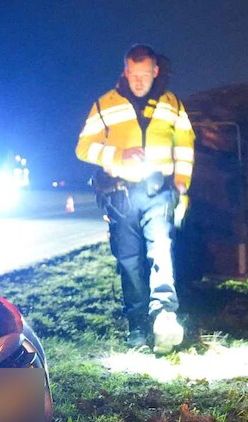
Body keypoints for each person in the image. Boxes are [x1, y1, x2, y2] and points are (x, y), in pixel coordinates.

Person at [76, 44, 195, 353]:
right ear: (125, 72)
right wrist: (117, 153)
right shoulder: (104, 104)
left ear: (155, 72)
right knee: (129, 261)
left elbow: (185, 145)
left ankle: (163, 315)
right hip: (120, 194)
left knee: (161, 251)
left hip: (159, 191)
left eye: (145, 74)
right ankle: (137, 327)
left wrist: (181, 184)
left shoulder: (172, 104)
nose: (140, 81)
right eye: (134, 74)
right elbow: (83, 147)